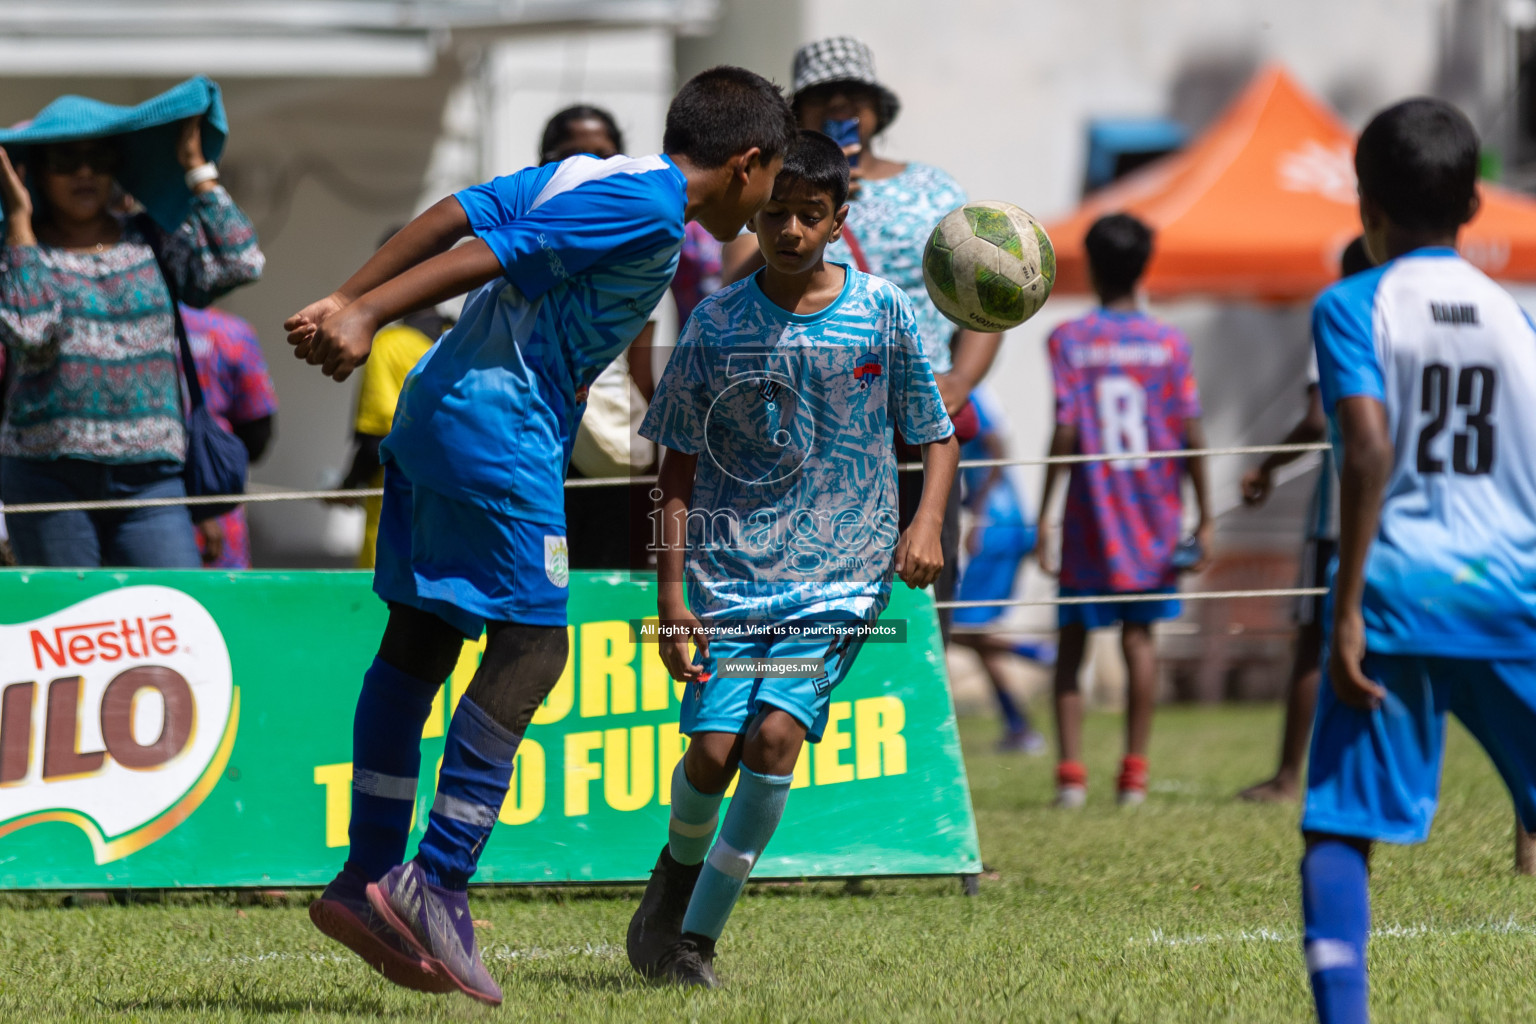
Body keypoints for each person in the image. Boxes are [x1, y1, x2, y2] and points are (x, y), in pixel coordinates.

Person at [285, 66, 795, 1006]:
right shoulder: (652, 207)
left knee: (422, 639)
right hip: (500, 432)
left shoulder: (585, 172)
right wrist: (365, 312)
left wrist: (346, 291)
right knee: (535, 647)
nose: (767, 206)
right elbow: (494, 251)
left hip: (436, 412)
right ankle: (434, 881)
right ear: (748, 163)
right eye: (772, 184)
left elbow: (452, 211)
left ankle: (366, 879)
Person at [625, 129, 957, 989]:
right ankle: (675, 873)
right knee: (710, 754)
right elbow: (676, 466)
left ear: (840, 220)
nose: (792, 231)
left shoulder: (883, 311)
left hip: (843, 578)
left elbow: (935, 432)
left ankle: (693, 941)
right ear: (754, 217)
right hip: (731, 577)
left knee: (773, 741)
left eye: (812, 215)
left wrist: (926, 523)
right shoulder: (716, 323)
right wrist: (671, 590)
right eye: (776, 214)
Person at [1299, 98, 1536, 1024]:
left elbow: (1365, 449)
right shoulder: (1518, 323)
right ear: (1474, 204)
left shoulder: (1354, 303)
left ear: (1366, 206)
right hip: (1510, 598)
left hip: (1396, 596)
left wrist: (1346, 604)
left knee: (1340, 826)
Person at [725, 37, 997, 639]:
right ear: (799, 111)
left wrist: (960, 379)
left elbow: (985, 299)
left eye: (855, 96)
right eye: (823, 96)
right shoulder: (777, 191)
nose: (841, 106)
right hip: (805, 428)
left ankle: (911, 725)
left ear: (878, 109)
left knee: (920, 593)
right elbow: (735, 282)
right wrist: (813, 202)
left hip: (912, 423)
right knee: (808, 598)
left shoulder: (933, 189)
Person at [0, 121, 263, 567]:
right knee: (70, 627)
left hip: (152, 478)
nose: (85, 172)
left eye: (98, 159)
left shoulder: (151, 236)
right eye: (66, 161)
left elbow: (239, 263)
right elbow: (31, 335)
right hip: (47, 478)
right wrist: (20, 223)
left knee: (171, 615)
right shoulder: (19, 252)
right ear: (36, 173)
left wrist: (197, 169)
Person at [1037, 213, 1211, 808]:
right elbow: (1192, 431)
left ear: (1089, 262)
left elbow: (1065, 427)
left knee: (1073, 640)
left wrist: (1044, 511)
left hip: (1092, 507)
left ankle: (1070, 776)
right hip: (1153, 509)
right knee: (1140, 639)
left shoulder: (1067, 339)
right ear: (1145, 265)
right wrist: (1205, 512)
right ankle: (1134, 776)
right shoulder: (1169, 341)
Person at [1235, 238, 1372, 803]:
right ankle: (1372, 778)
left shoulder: (1344, 314)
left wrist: (1266, 464)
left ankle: (1292, 775)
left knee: (1316, 638)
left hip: (1341, 516)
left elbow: (1318, 419)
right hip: (1412, 514)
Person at [537, 105, 662, 570]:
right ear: (544, 161)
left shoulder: (636, 249)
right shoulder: (527, 237)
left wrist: (650, 466)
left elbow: (640, 364)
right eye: (573, 155)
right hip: (540, 442)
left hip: (612, 448)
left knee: (610, 575)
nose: (589, 168)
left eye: (603, 156)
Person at [333, 227, 452, 570]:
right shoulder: (460, 335)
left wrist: (348, 484)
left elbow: (376, 439)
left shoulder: (390, 345)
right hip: (457, 503)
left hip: (399, 507)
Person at [952, 386, 1050, 753]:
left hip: (996, 527)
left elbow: (995, 450)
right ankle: (1019, 727)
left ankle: (1034, 651)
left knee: (949, 626)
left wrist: (977, 513)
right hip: (1006, 524)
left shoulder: (970, 393)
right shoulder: (978, 395)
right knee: (973, 634)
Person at [183, 304, 277, 569]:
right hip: (217, 495)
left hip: (143, 499)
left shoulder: (142, 324)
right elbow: (259, 428)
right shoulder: (233, 332)